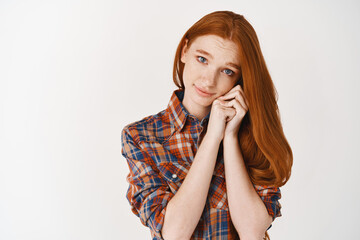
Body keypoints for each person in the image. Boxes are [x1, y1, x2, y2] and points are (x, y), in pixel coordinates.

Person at [121, 10, 293, 240]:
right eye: (202, 59)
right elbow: (174, 233)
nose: (208, 80)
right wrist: (212, 138)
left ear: (239, 80)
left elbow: (252, 231)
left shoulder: (254, 134)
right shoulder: (141, 136)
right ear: (184, 51)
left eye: (227, 71)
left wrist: (230, 136)